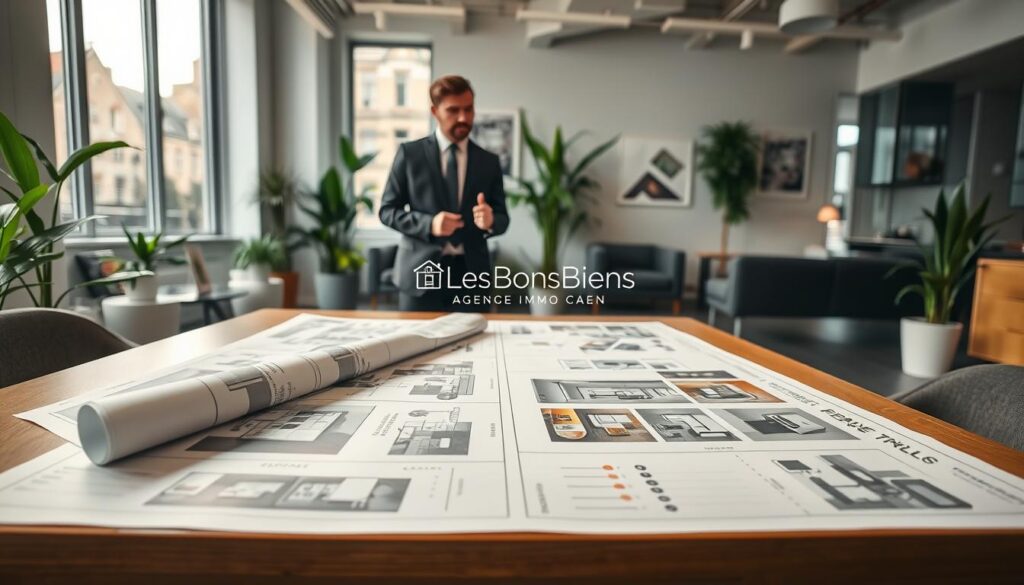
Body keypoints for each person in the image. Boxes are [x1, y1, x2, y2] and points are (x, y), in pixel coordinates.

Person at [379, 75, 509, 311]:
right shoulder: (410, 155)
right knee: (416, 346)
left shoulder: (489, 162)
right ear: (434, 111)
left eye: (469, 109)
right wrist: (429, 224)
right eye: (453, 110)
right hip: (420, 276)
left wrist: (491, 221)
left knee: (476, 348)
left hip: (472, 278)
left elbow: (503, 218)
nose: (463, 118)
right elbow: (387, 211)